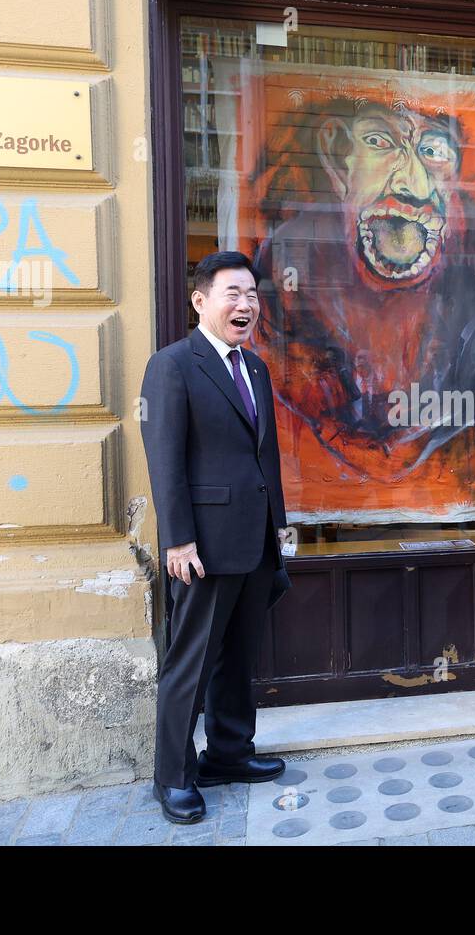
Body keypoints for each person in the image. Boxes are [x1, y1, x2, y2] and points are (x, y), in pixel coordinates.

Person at [139, 250, 289, 824]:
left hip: (254, 541)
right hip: (200, 545)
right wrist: (177, 540)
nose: (246, 304)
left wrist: (279, 527)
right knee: (191, 662)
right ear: (201, 301)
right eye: (233, 293)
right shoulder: (172, 365)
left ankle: (229, 754)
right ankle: (173, 776)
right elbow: (164, 460)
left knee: (239, 657)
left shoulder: (255, 367)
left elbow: (265, 455)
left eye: (252, 294)